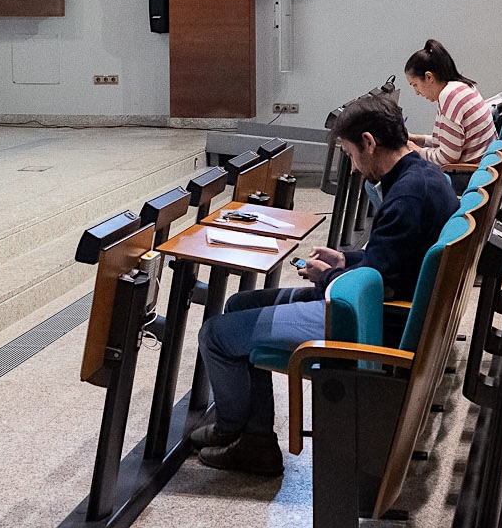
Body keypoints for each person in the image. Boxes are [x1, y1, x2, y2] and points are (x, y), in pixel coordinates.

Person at [193, 96, 457, 476]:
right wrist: (346, 260)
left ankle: (237, 433)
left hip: (366, 322)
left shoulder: (406, 195)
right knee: (240, 304)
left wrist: (327, 277)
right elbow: (392, 260)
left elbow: (380, 288)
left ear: (368, 142)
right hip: (374, 307)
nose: (351, 166)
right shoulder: (425, 178)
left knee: (215, 335)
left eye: (350, 154)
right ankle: (252, 438)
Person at [403, 38, 495, 171]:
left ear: (429, 77)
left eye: (415, 85)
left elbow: (447, 158)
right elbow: (450, 143)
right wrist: (417, 139)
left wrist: (416, 150)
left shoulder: (449, 97)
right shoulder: (461, 87)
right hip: (481, 170)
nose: (417, 92)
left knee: (381, 183)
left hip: (466, 173)